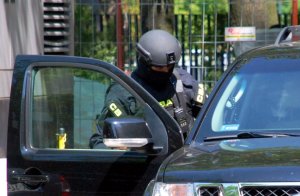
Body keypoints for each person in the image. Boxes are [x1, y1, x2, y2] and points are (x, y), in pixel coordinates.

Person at [89, 29, 205, 149]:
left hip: (184, 161)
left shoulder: (184, 83)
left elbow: (213, 120)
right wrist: (118, 148)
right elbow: (99, 141)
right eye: (159, 68)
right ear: (143, 63)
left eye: (169, 67)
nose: (165, 72)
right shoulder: (123, 91)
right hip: (143, 163)